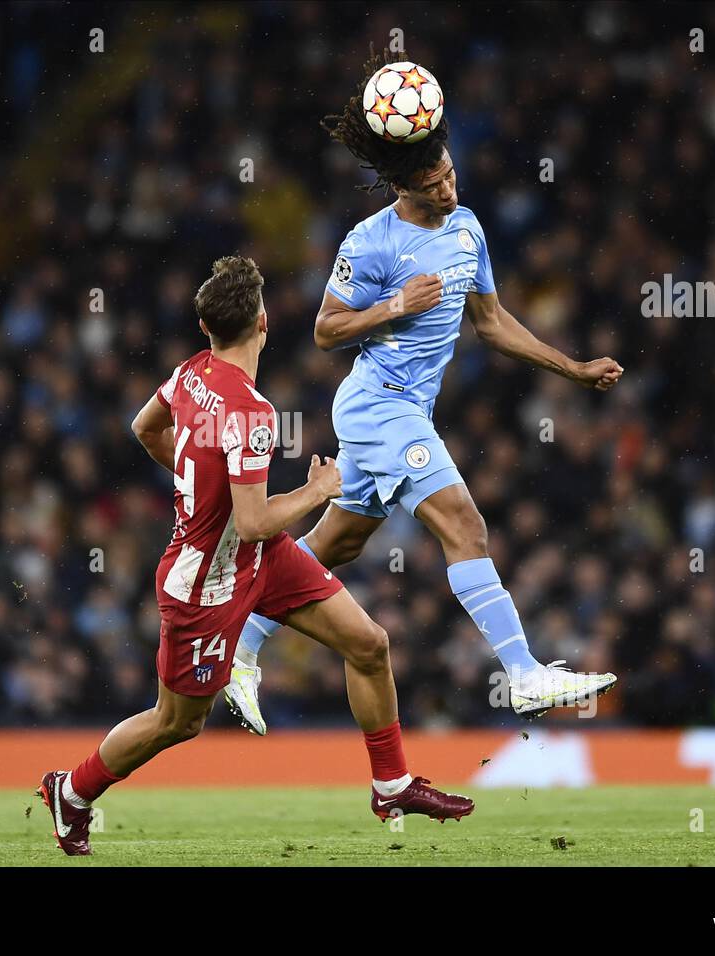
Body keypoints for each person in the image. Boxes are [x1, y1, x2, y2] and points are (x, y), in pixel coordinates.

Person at [225, 54, 622, 736]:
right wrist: (393, 307)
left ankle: (241, 646)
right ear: (404, 190)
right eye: (433, 185)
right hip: (378, 405)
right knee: (464, 525)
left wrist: (573, 368)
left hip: (405, 410)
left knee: (336, 544)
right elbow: (324, 330)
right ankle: (523, 672)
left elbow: (491, 323)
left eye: (449, 176)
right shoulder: (371, 242)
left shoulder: (468, 228)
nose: (447, 190)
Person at [39, 256, 473, 856]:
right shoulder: (253, 413)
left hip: (260, 558)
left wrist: (200, 482)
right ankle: (74, 791)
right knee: (176, 722)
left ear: (207, 330)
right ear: (264, 323)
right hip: (207, 582)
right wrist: (316, 492)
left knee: (369, 643)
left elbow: (145, 428)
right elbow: (250, 520)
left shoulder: (191, 373)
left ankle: (390, 783)